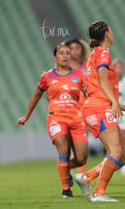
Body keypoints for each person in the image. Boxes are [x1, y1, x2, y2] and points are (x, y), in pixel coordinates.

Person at [74, 20, 125, 203]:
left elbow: (96, 84)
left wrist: (118, 104)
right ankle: (99, 193)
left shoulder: (96, 53)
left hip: (99, 106)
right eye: (111, 29)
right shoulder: (102, 54)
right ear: (107, 34)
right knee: (115, 150)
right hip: (98, 107)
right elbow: (102, 80)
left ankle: (86, 178)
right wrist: (114, 102)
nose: (112, 31)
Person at [17, 44, 88, 198]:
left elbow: (89, 94)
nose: (65, 55)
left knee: (81, 159)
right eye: (61, 53)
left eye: (68, 53)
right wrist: (26, 116)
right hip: (56, 119)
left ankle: (65, 168)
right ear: (55, 57)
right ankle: (66, 190)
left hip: (76, 119)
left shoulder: (79, 75)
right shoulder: (47, 77)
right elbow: (36, 96)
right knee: (63, 150)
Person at [64, 38, 91, 174]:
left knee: (81, 144)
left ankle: (80, 174)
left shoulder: (87, 67)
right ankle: (67, 169)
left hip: (84, 109)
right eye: (72, 48)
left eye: (78, 48)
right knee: (67, 143)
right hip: (67, 109)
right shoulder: (63, 69)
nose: (75, 51)